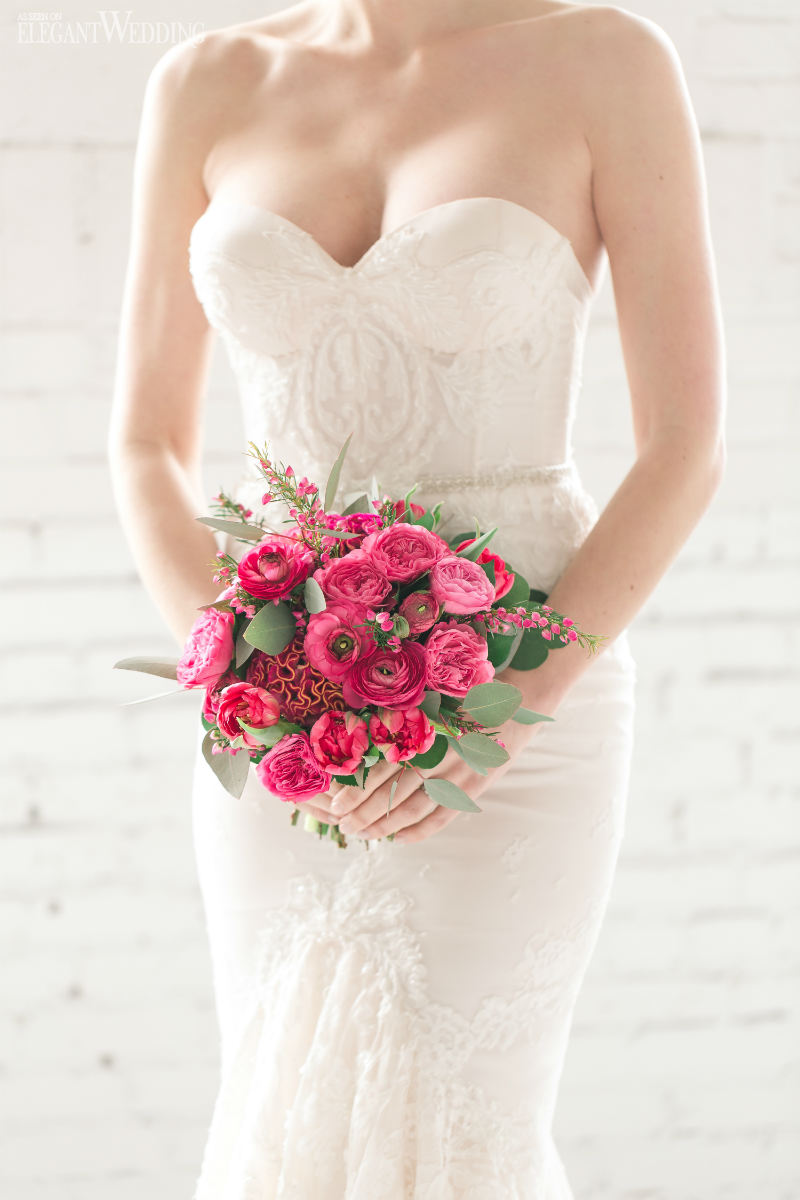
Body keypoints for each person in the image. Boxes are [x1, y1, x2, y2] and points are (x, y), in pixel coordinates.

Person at [107, 1, 726, 1195]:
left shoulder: (606, 58)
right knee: (283, 1085)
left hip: (522, 699)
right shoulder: (208, 78)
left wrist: (507, 710)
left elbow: (684, 446)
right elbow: (144, 444)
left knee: (459, 1116)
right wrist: (249, 685)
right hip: (282, 711)